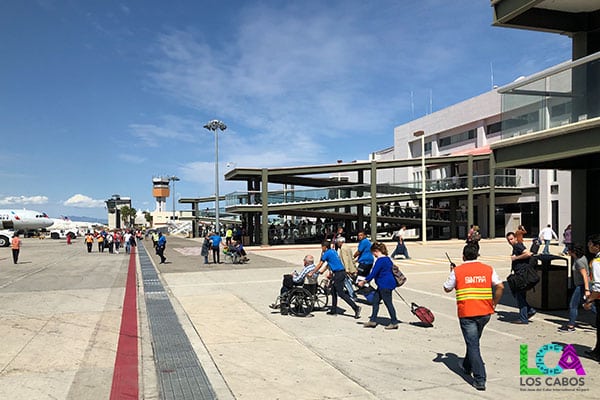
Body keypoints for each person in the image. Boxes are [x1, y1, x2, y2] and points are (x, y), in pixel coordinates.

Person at [443, 243, 504, 391]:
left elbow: (446, 288)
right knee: (473, 342)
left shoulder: (458, 271)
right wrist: (494, 304)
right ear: (478, 255)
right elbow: (500, 286)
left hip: (467, 313)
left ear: (463, 256)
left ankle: (480, 378)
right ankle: (466, 365)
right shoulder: (488, 269)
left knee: (473, 345)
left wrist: (453, 273)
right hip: (485, 313)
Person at [313, 241, 361, 318]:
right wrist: (321, 271)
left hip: (338, 273)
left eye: (322, 247)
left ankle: (356, 307)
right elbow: (330, 263)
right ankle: (333, 309)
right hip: (340, 273)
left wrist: (313, 272)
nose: (321, 249)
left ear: (324, 247)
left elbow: (320, 263)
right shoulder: (333, 251)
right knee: (333, 291)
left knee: (341, 293)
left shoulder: (327, 253)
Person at [358, 242, 400, 329]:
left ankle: (394, 322)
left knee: (388, 303)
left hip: (385, 285)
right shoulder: (387, 259)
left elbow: (373, 273)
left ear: (376, 251)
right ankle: (373, 320)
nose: (374, 255)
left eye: (373, 253)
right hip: (386, 284)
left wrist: (364, 281)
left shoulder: (380, 260)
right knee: (375, 301)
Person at [558, 244, 590, 332]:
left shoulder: (579, 261)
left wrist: (587, 289)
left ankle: (571, 325)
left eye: (569, 250)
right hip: (582, 285)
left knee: (573, 305)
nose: (567, 251)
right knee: (590, 304)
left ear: (573, 251)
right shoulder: (581, 258)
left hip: (581, 285)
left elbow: (585, 275)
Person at [506, 232, 536, 324]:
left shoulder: (518, 246)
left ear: (515, 238)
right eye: (508, 240)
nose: (510, 241)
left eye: (511, 239)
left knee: (519, 295)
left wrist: (516, 258)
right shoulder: (517, 246)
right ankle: (528, 312)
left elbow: (528, 254)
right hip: (521, 274)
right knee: (521, 295)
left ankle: (525, 317)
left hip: (521, 275)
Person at [583, 234, 600, 360]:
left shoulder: (596, 262)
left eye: (590, 244)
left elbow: (598, 286)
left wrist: (589, 300)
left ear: (597, 246)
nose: (589, 246)